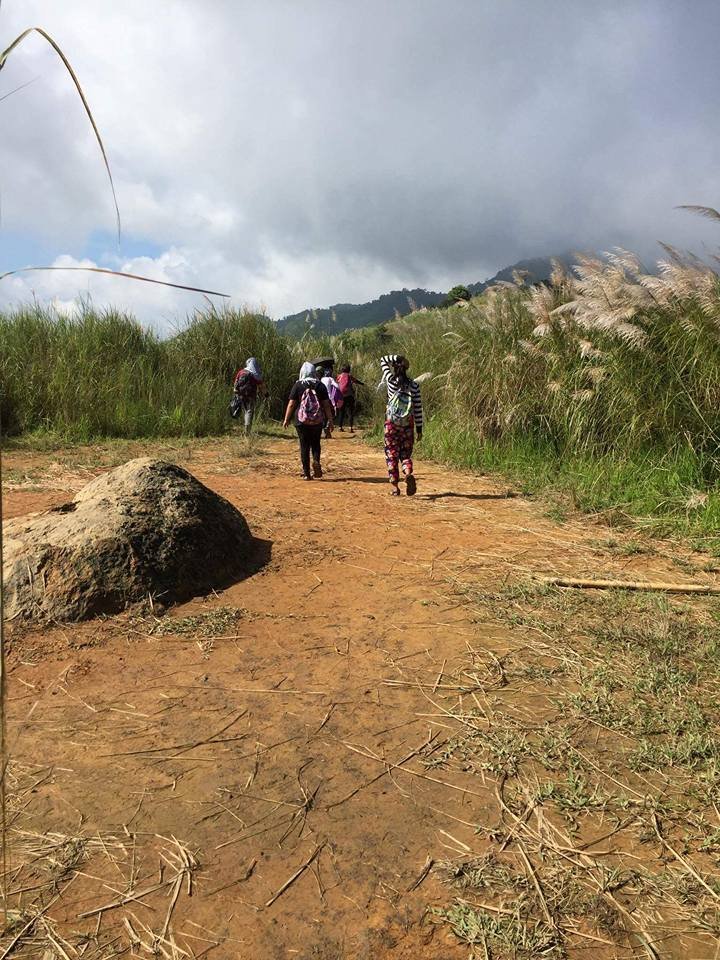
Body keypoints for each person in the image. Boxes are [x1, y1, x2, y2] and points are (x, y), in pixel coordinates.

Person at [380, 354, 423, 496]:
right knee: (405, 454)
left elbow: (383, 359)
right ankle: (408, 472)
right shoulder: (414, 385)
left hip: (391, 426)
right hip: (407, 426)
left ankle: (395, 487)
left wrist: (397, 357)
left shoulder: (390, 380)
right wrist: (419, 429)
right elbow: (417, 408)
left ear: (395, 368)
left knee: (391, 454)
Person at [283, 362, 335, 480]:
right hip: (317, 420)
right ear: (314, 372)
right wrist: (330, 421)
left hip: (301, 421)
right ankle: (316, 461)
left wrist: (286, 419)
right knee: (316, 443)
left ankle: (306, 473)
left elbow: (291, 404)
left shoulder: (298, 385)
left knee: (304, 445)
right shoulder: (320, 385)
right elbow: (326, 405)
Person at [233, 357, 265, 435]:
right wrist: (266, 394)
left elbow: (235, 383)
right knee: (249, 411)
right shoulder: (254, 374)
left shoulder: (241, 372)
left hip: (241, 395)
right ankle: (247, 430)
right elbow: (261, 386)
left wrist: (236, 392)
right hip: (250, 395)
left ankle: (245, 428)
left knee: (245, 411)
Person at [336, 364, 365, 432]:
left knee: (341, 411)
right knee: (350, 412)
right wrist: (362, 384)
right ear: (349, 370)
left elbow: (337, 384)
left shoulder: (339, 376)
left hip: (341, 396)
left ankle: (340, 427)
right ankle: (350, 427)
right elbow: (356, 381)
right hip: (349, 396)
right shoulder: (349, 376)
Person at [319, 367, 344, 439]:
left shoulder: (321, 379)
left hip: (321, 399)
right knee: (332, 413)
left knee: (323, 413)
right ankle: (327, 426)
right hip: (329, 398)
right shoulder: (330, 379)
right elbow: (337, 386)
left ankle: (324, 429)